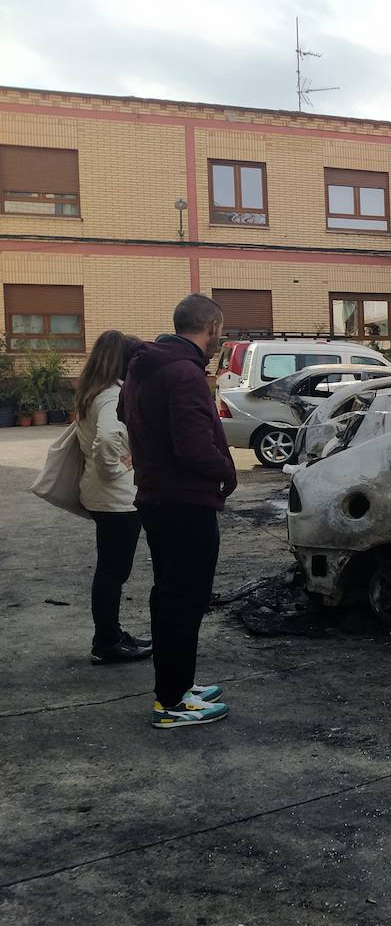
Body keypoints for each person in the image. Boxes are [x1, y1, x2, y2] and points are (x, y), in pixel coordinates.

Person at [119, 294, 234, 729]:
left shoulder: (146, 365)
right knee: (184, 600)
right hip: (186, 501)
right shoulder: (184, 372)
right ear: (211, 329)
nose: (219, 340)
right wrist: (226, 470)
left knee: (170, 595)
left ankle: (178, 686)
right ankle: (171, 703)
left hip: (157, 496)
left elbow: (123, 412)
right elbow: (192, 447)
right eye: (219, 332)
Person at [74, 330, 152, 665]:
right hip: (116, 499)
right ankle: (107, 642)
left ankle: (110, 635)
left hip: (103, 496)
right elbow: (107, 439)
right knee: (112, 572)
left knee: (109, 570)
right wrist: (115, 473)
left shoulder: (92, 391)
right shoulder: (110, 395)